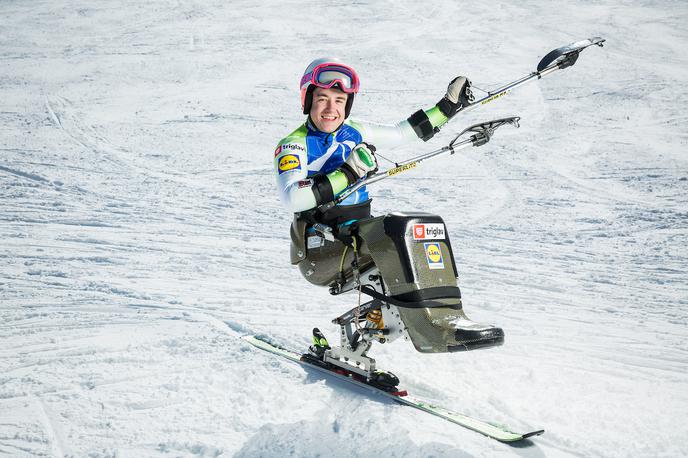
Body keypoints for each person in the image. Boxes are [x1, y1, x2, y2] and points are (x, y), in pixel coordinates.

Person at [273, 57, 473, 287]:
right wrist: (349, 172)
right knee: (400, 233)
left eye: (339, 100)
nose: (331, 109)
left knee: (424, 229)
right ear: (308, 100)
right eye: (322, 99)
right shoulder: (294, 144)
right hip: (320, 250)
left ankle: (435, 312)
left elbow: (401, 133)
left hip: (358, 234)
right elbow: (293, 198)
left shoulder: (354, 130)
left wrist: (446, 107)